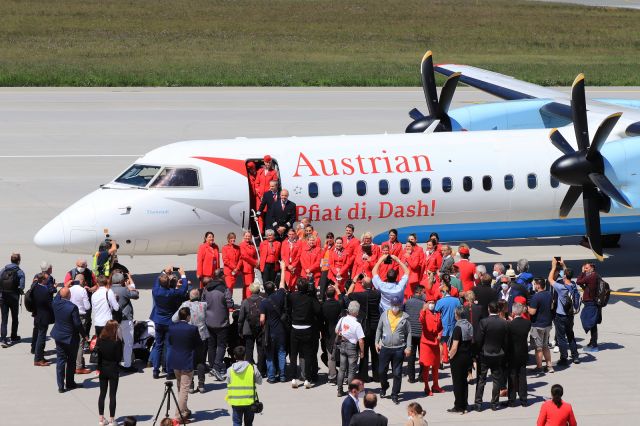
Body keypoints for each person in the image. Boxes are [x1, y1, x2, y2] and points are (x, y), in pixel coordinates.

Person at [150, 266, 189, 380]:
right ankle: (169, 370)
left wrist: (163, 272)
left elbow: (157, 281)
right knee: (169, 346)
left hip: (158, 321)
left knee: (158, 345)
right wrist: (183, 275)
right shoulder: (172, 293)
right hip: (169, 322)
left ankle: (155, 370)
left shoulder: (156, 291)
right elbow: (184, 289)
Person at [51, 287, 88, 392]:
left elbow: (59, 294)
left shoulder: (55, 302)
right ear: (69, 295)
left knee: (60, 361)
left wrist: (65, 286)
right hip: (71, 337)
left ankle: (60, 386)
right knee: (71, 361)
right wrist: (84, 335)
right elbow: (77, 323)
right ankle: (70, 383)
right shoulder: (72, 307)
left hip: (59, 336)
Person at [168, 307, 201, 424]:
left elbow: (170, 342)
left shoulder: (172, 327)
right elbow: (198, 343)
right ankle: (178, 416)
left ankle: (184, 409)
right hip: (187, 361)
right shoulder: (192, 329)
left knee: (180, 387)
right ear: (187, 316)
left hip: (175, 360)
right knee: (184, 389)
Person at [376, 296, 411, 405]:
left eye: (397, 305)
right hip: (385, 348)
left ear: (400, 305)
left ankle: (395, 394)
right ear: (391, 305)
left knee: (397, 373)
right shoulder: (384, 315)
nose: (395, 307)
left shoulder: (405, 317)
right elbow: (379, 329)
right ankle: (384, 386)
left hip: (398, 349)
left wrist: (408, 347)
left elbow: (409, 332)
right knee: (381, 371)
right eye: (393, 305)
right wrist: (376, 342)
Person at [173, 288, 209, 393]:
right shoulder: (204, 305)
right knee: (201, 360)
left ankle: (191, 385)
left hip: (188, 336)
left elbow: (174, 318)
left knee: (189, 361)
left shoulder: (185, 305)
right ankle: (201, 385)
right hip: (202, 335)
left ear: (190, 297)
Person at [474, 301, 508, 411]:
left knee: (481, 379)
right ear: (498, 310)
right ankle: (494, 403)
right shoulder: (503, 323)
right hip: (498, 354)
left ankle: (478, 403)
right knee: (496, 379)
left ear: (489, 309)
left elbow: (479, 340)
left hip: (485, 354)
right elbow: (505, 340)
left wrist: (477, 352)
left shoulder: (484, 322)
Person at [288, 277, 321, 388]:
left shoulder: (292, 296)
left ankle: (293, 379)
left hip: (295, 328)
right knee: (307, 355)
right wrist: (313, 295)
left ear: (297, 287)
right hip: (307, 328)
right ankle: (307, 379)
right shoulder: (310, 298)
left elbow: (288, 307)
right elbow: (318, 310)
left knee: (293, 355)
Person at [347, 276, 382, 382]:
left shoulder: (360, 295)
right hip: (375, 325)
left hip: (364, 326)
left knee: (364, 351)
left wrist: (354, 281)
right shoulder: (377, 294)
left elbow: (348, 294)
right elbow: (376, 290)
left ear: (362, 284)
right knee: (375, 352)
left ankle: (363, 375)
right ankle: (377, 375)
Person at [202, 269, 234, 381]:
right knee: (221, 346)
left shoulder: (206, 289)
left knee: (211, 345)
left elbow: (203, 302)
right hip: (222, 322)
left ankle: (212, 366)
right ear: (221, 276)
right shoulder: (224, 289)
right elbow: (230, 303)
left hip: (209, 322)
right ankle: (216, 367)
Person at [259, 263, 288, 383]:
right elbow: (282, 282)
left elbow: (262, 319)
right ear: (274, 288)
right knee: (281, 353)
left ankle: (271, 377)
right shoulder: (280, 295)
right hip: (281, 330)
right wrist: (283, 268)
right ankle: (282, 376)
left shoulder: (264, 303)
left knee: (270, 354)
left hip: (270, 331)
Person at [549, 259, 581, 365]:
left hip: (561, 315)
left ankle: (564, 357)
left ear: (564, 276)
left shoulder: (561, 287)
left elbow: (550, 279)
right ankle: (575, 356)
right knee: (570, 335)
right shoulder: (573, 286)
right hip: (570, 315)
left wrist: (554, 267)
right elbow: (567, 274)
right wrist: (563, 265)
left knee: (561, 337)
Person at [110, 271, 139, 372]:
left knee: (116, 343)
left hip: (113, 321)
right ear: (122, 280)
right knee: (128, 343)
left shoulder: (109, 289)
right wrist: (130, 287)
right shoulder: (124, 290)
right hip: (126, 319)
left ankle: (115, 363)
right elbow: (136, 295)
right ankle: (127, 364)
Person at [226, 345, 263, 426]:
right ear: (245, 355)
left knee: (236, 423)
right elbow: (260, 381)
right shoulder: (252, 368)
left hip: (236, 402)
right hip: (250, 402)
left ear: (234, 356)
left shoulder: (230, 370)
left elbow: (228, 382)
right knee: (249, 423)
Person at [96, 320, 123, 426]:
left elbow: (99, 357)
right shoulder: (117, 342)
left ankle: (101, 419)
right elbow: (118, 358)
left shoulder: (100, 340)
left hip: (103, 369)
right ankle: (112, 420)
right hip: (113, 369)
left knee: (102, 394)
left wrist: (98, 368)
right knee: (112, 395)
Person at [336, 300, 366, 397]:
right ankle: (351, 391)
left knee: (342, 369)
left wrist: (342, 334)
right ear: (357, 312)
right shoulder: (357, 324)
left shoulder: (343, 319)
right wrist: (362, 352)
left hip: (343, 345)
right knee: (351, 371)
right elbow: (361, 340)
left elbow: (337, 330)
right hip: (352, 347)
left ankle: (339, 390)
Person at [447, 306, 473, 414]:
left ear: (457, 315)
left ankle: (458, 406)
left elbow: (454, 346)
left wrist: (450, 356)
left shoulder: (458, 328)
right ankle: (465, 404)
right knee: (464, 382)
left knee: (457, 383)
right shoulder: (469, 325)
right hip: (467, 356)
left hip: (458, 358)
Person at [238, 282, 266, 378]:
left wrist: (240, 330)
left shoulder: (245, 302)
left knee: (249, 350)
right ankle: (261, 370)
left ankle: (250, 370)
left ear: (250, 291)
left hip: (248, 329)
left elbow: (241, 318)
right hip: (260, 329)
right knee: (260, 350)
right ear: (258, 291)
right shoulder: (263, 301)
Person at [507, 303, 531, 407]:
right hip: (523, 352)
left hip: (512, 353)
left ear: (513, 312)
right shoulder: (527, 323)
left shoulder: (510, 325)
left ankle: (512, 400)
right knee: (522, 376)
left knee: (512, 376)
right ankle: (524, 399)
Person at [528, 278, 554, 373]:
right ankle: (549, 365)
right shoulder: (549, 294)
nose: (534, 286)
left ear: (538, 285)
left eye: (535, 284)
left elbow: (532, 312)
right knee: (545, 346)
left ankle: (539, 367)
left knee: (538, 348)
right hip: (547, 324)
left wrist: (527, 308)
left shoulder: (536, 297)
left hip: (538, 325)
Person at [0, 253, 25, 347]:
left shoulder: (3, 270)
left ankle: (3, 339)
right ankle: (13, 336)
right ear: (18, 261)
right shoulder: (20, 272)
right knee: (15, 318)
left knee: (4, 319)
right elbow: (21, 286)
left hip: (3, 298)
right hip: (14, 298)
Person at [418, 299, 443, 395]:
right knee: (426, 366)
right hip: (426, 343)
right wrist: (423, 310)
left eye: (433, 303)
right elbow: (421, 320)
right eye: (430, 303)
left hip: (435, 342)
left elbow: (440, 327)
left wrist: (440, 334)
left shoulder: (437, 313)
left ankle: (435, 385)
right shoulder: (424, 312)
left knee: (436, 366)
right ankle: (426, 387)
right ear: (426, 304)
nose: (432, 304)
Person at [68, 275, 92, 373]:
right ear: (81, 280)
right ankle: (78, 366)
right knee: (81, 342)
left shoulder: (69, 289)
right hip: (80, 317)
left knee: (72, 341)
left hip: (70, 316)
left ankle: (71, 364)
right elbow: (87, 306)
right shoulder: (82, 290)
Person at [435, 282, 462, 365]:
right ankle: (452, 358)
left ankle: (441, 361)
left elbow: (436, 311)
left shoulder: (441, 301)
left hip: (444, 325)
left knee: (442, 343)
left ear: (443, 292)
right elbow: (460, 310)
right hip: (455, 325)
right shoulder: (457, 300)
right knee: (454, 342)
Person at [577, 261, 601, 351]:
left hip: (591, 303)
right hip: (591, 302)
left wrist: (582, 272)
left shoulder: (591, 276)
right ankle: (593, 342)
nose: (585, 269)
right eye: (585, 268)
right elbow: (587, 286)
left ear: (592, 268)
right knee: (592, 323)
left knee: (590, 322)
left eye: (587, 268)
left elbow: (578, 281)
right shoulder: (595, 276)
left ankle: (594, 344)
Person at [322, 284, 343, 384]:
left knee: (330, 355)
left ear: (326, 294)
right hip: (338, 330)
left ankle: (332, 376)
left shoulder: (323, 305)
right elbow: (342, 299)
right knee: (341, 353)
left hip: (328, 331)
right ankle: (343, 374)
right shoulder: (339, 304)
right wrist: (337, 289)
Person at [31, 272, 54, 366]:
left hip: (37, 315)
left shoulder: (35, 287)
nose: (48, 280)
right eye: (47, 279)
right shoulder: (44, 291)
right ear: (43, 280)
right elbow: (50, 304)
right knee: (41, 338)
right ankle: (38, 359)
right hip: (43, 317)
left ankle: (40, 356)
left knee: (40, 337)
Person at [404, 284, 425, 383]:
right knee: (422, 355)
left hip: (410, 332)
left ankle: (411, 377)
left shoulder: (407, 302)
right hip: (421, 333)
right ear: (419, 292)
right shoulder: (424, 304)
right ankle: (421, 377)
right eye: (423, 292)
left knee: (411, 356)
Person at [222, 232, 243, 297]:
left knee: (231, 287)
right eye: (231, 238)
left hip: (235, 272)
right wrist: (235, 268)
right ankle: (229, 304)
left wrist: (237, 268)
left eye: (234, 238)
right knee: (229, 287)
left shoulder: (237, 248)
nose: (233, 239)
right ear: (228, 239)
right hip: (228, 271)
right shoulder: (225, 248)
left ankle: (229, 302)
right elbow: (225, 260)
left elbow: (240, 258)